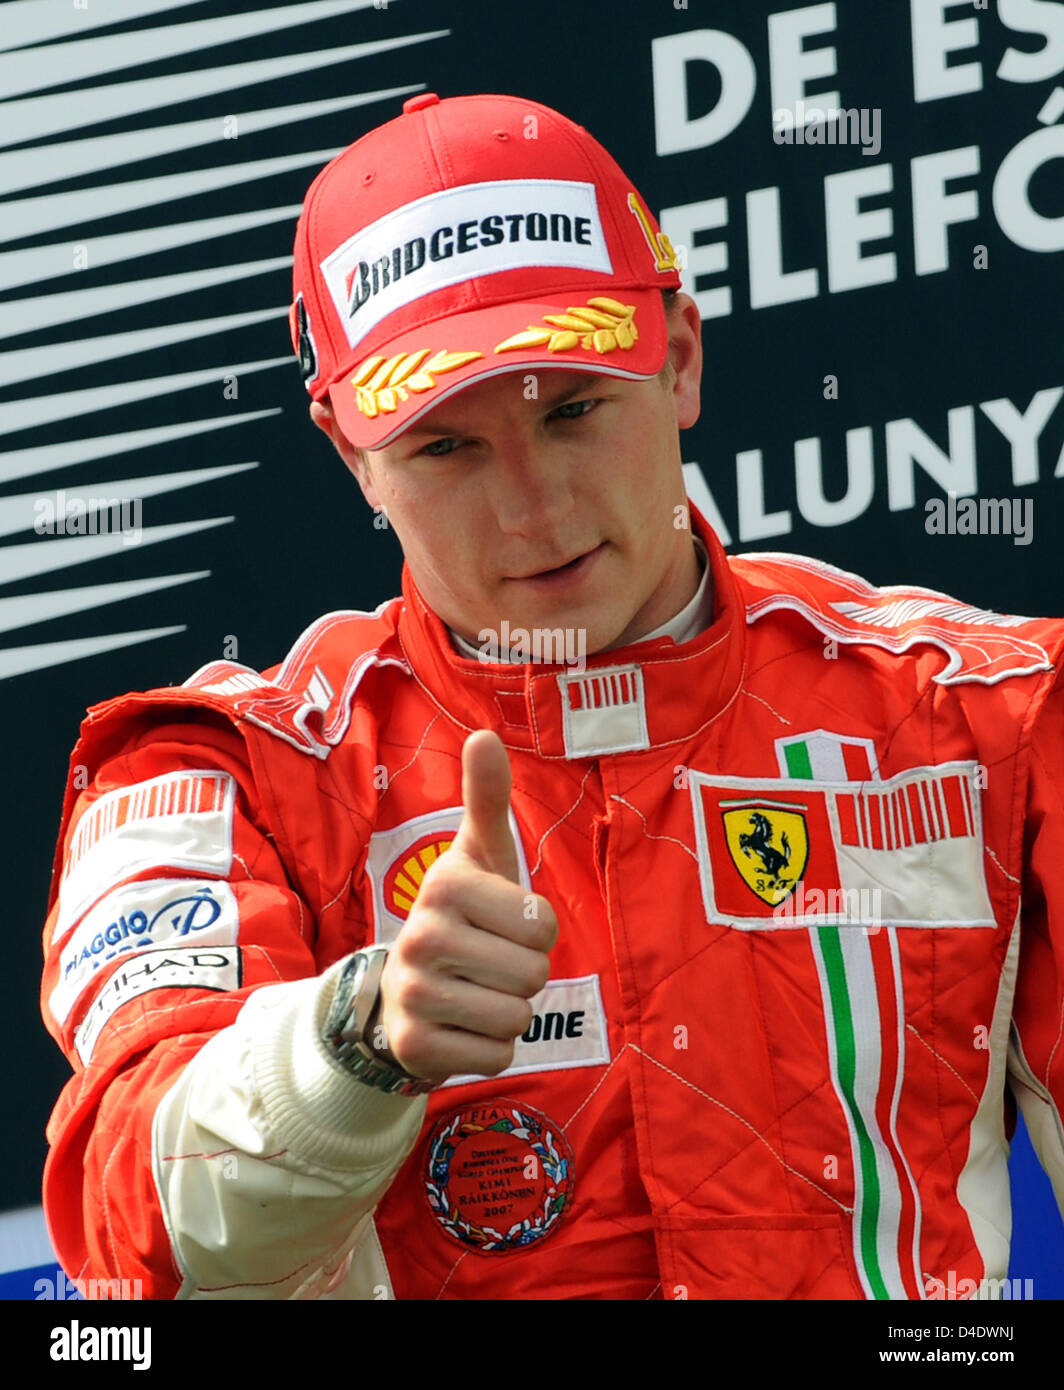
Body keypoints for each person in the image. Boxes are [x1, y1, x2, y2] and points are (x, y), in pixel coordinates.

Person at [40, 91, 1064, 1302]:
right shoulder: (219, 774)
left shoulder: (991, 715)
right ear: (347, 453)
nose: (531, 508)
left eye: (571, 410)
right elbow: (129, 1231)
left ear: (677, 360)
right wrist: (353, 1044)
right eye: (444, 448)